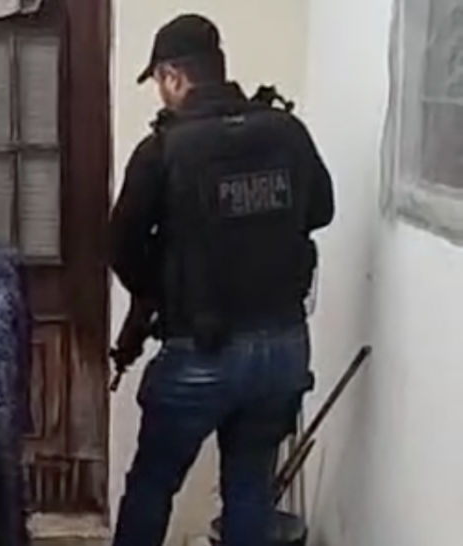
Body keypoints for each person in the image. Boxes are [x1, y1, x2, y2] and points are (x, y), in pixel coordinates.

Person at [108, 14, 334, 546]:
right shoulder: (286, 132)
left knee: (153, 484)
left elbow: (120, 245)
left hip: (200, 351)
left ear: (172, 76)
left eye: (160, 82)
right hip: (282, 347)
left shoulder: (163, 149)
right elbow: (321, 211)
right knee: (249, 489)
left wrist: (158, 289)